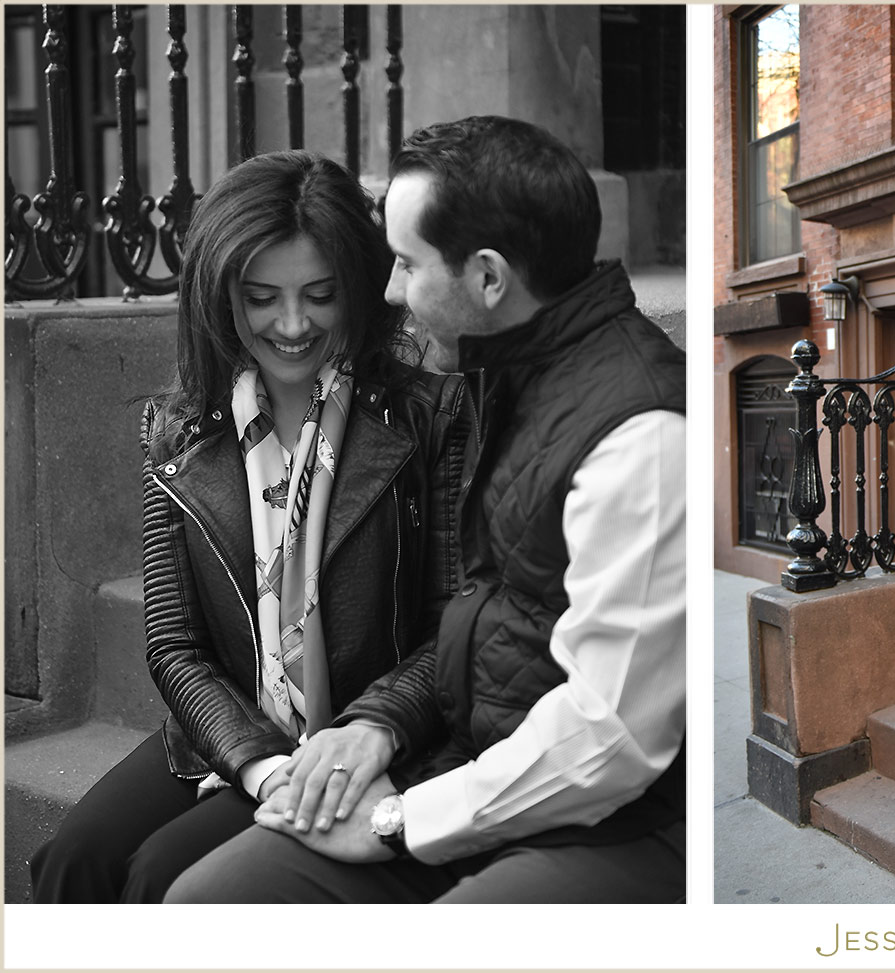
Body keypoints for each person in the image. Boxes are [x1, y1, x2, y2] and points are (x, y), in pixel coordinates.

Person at [167, 115, 686, 904]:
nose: (388, 292)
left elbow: (609, 734)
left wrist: (404, 817)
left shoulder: (639, 433)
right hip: (465, 759)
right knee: (207, 899)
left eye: (406, 264)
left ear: (486, 277)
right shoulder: (500, 371)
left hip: (612, 814)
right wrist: (380, 739)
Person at [29, 151, 472, 902]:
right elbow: (174, 645)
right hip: (234, 732)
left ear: (359, 289)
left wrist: (369, 730)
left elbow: (453, 627)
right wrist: (258, 764)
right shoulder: (175, 429)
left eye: (320, 294)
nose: (293, 324)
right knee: (73, 861)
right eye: (262, 297)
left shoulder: (430, 416)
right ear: (219, 295)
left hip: (368, 731)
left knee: (157, 876)